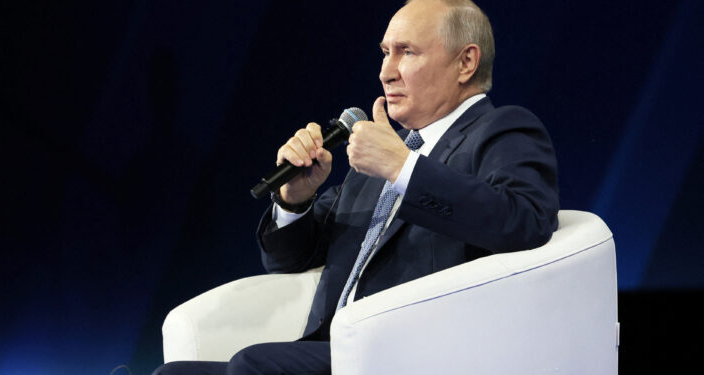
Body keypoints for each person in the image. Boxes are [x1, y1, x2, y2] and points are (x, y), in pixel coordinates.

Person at [153, 0, 559, 373]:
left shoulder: (502, 129)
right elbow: (290, 261)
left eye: (407, 52)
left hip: (412, 354)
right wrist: (295, 199)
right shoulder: (382, 152)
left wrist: (403, 168)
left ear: (466, 62)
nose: (386, 71)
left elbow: (524, 220)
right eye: (386, 52)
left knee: (253, 365)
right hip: (336, 350)